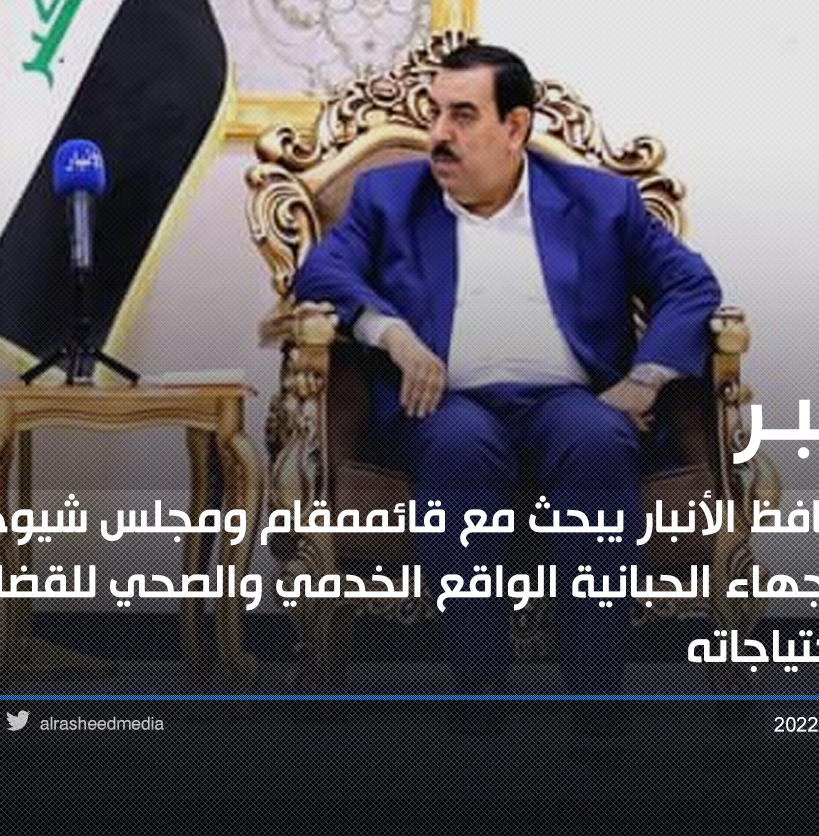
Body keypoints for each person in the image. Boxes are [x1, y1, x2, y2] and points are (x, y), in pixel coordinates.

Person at [293, 43, 722, 734]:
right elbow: (319, 273)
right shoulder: (388, 197)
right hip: (447, 406)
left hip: (567, 402)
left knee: (600, 439)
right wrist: (393, 334)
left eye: (463, 115)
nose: (439, 134)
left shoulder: (600, 201)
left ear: (516, 126)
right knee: (460, 447)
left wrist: (645, 381)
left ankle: (596, 699)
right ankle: (480, 691)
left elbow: (691, 285)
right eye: (435, 113)